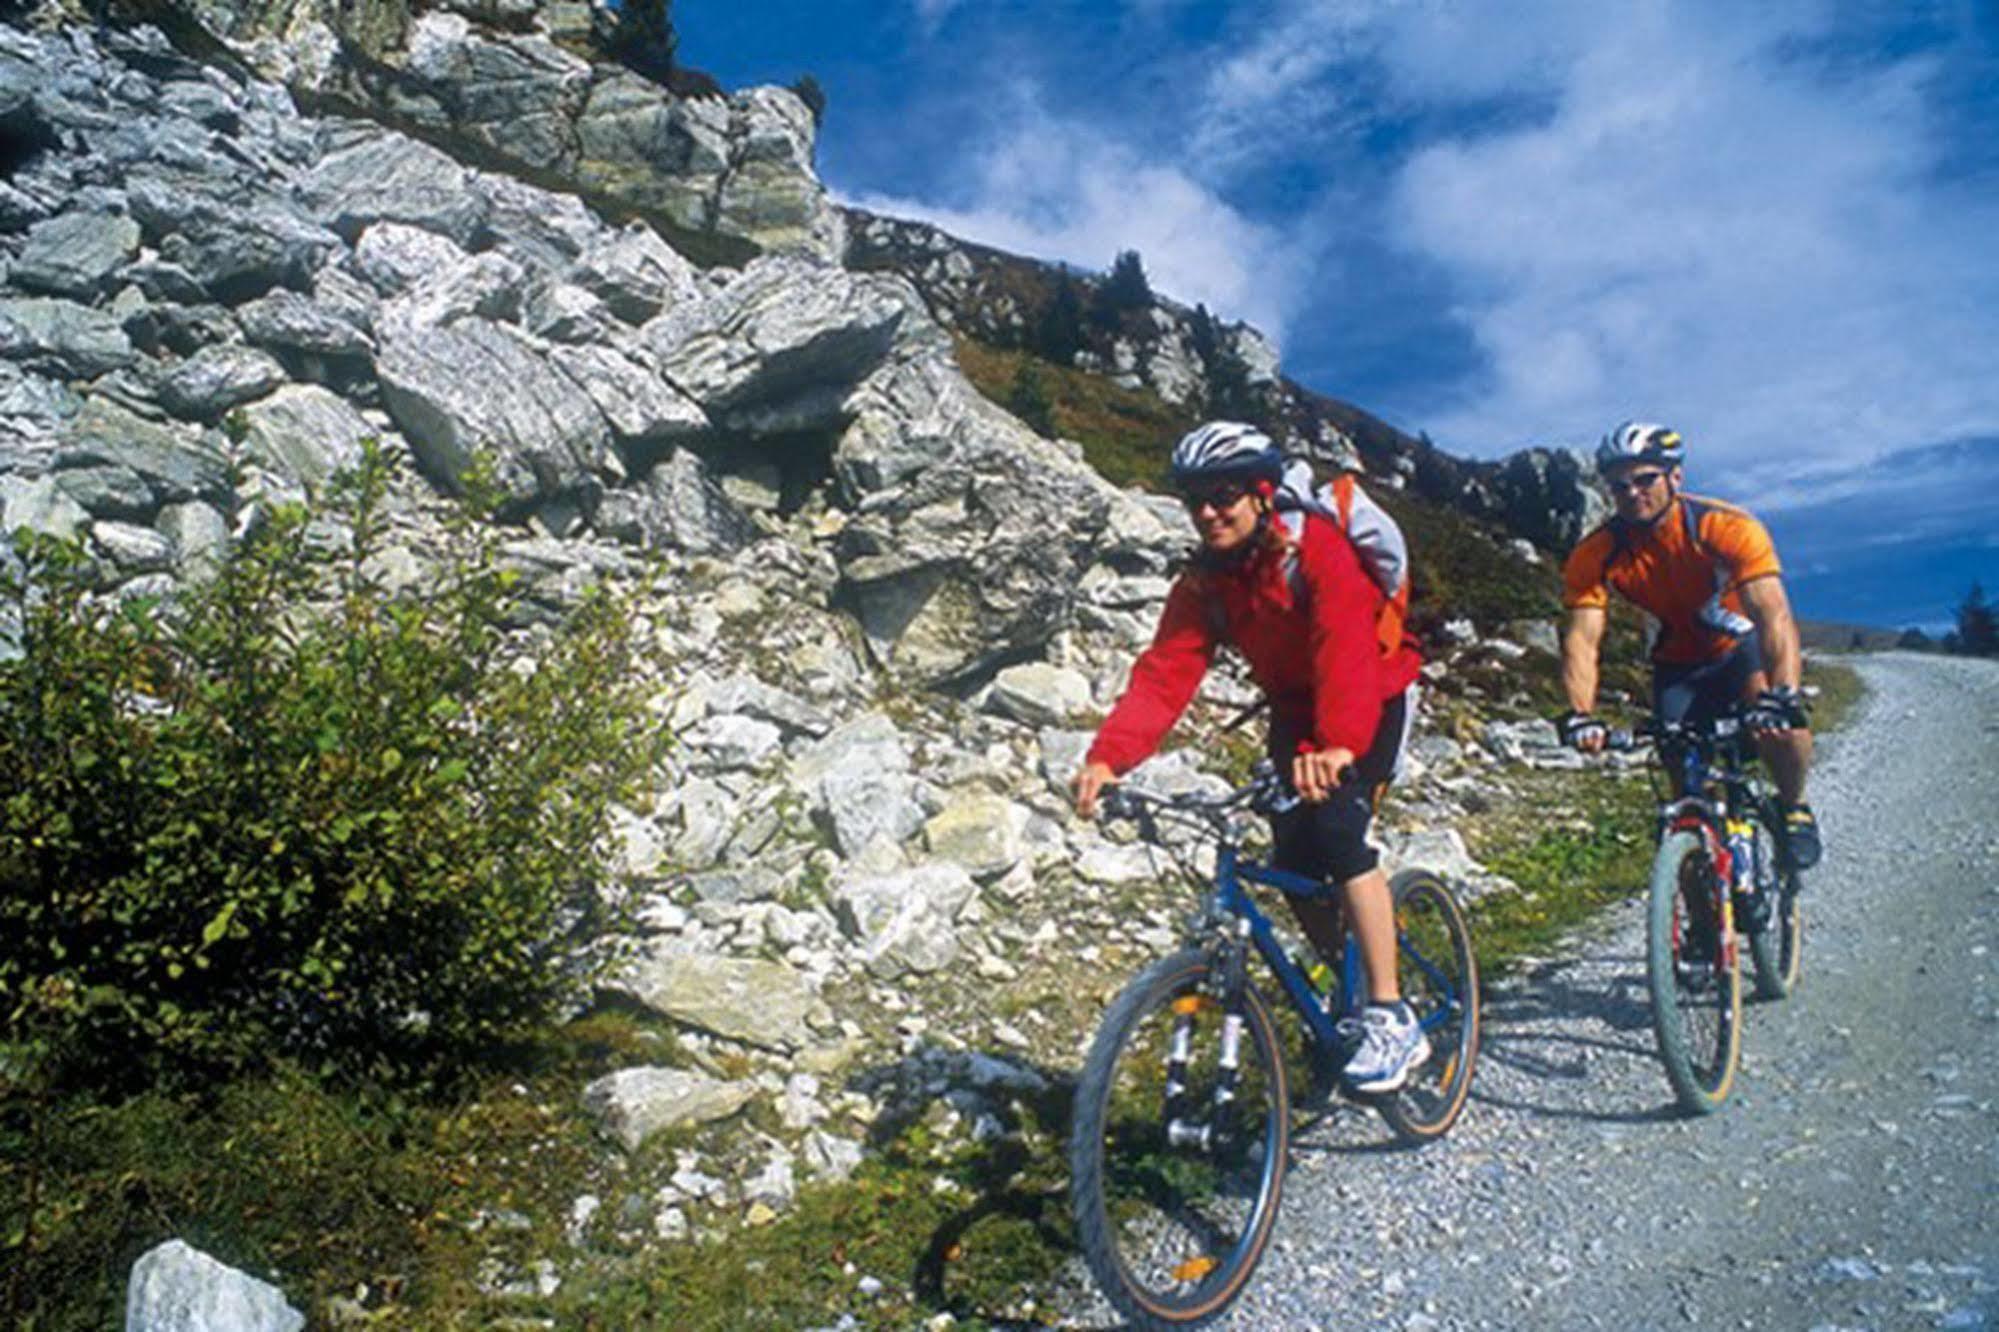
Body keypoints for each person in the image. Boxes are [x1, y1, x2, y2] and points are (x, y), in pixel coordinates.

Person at [1071, 422, 1429, 1092]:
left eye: (1223, 495)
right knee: (1290, 856)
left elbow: (1344, 648)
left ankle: (1389, 1013)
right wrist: (1108, 757)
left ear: (1262, 494)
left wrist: (1337, 745)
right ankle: (1345, 981)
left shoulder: (1312, 549)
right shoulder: (1205, 582)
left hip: (1372, 692)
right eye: (1194, 500)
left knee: (1336, 830)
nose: (1207, 512)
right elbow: (1163, 673)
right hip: (1296, 708)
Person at [1557, 421, 1822, 870]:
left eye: (1645, 480)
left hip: (1738, 651)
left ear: (1674, 477)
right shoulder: (1595, 553)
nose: (1632, 493)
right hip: (1676, 666)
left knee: (1783, 729)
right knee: (1687, 806)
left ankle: (1795, 806)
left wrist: (1785, 693)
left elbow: (1772, 614)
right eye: (1619, 485)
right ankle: (1702, 927)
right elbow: (1582, 639)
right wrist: (1582, 715)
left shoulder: (1723, 526)